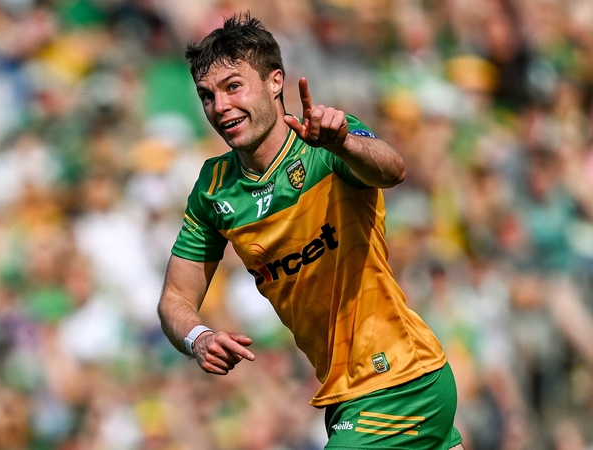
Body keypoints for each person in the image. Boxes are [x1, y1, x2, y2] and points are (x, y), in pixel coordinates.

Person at [156, 12, 465, 450]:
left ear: (275, 82)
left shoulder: (326, 141)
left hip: (398, 378)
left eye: (233, 87)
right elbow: (175, 299)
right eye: (207, 96)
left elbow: (393, 170)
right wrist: (197, 337)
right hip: (347, 395)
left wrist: (344, 144)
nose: (219, 106)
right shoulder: (212, 189)